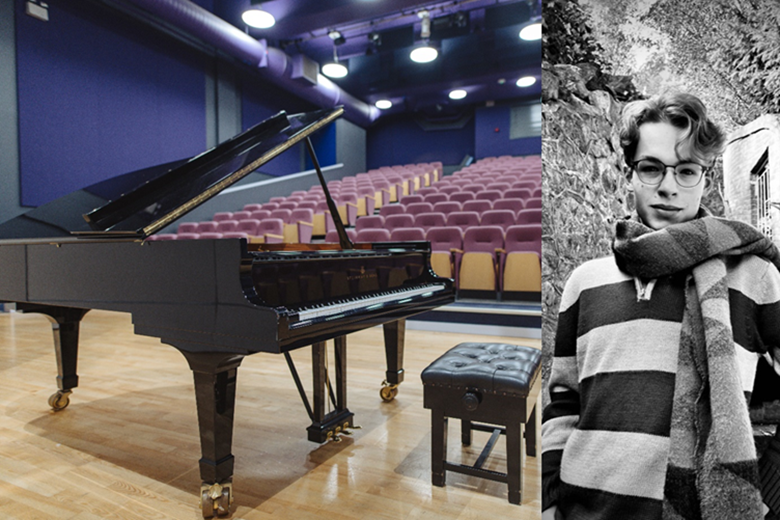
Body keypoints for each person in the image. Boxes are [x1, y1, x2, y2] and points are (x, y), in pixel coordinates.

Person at [541, 91, 780, 520]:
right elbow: (562, 402)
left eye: (687, 170)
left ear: (706, 178)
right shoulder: (585, 282)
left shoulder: (752, 276)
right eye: (651, 168)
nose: (668, 187)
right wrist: (549, 500)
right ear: (629, 175)